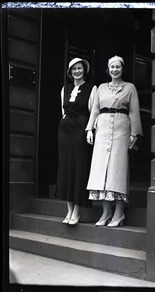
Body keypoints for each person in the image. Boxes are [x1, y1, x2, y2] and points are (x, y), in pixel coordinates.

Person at [86, 55, 143, 227]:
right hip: (102, 130)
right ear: (108, 69)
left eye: (118, 67)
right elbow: (94, 110)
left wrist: (134, 134)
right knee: (101, 170)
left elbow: (134, 111)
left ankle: (119, 213)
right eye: (112, 67)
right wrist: (90, 129)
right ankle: (105, 213)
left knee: (118, 171)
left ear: (122, 68)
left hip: (121, 129)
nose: (115, 70)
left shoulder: (130, 87)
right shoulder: (101, 88)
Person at [55, 57, 97, 225]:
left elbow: (94, 111)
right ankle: (69, 210)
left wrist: (89, 129)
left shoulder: (91, 88)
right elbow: (62, 111)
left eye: (79, 68)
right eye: (74, 69)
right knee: (65, 168)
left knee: (79, 168)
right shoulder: (65, 89)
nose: (77, 71)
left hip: (80, 131)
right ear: (70, 72)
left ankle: (77, 212)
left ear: (84, 70)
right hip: (65, 132)